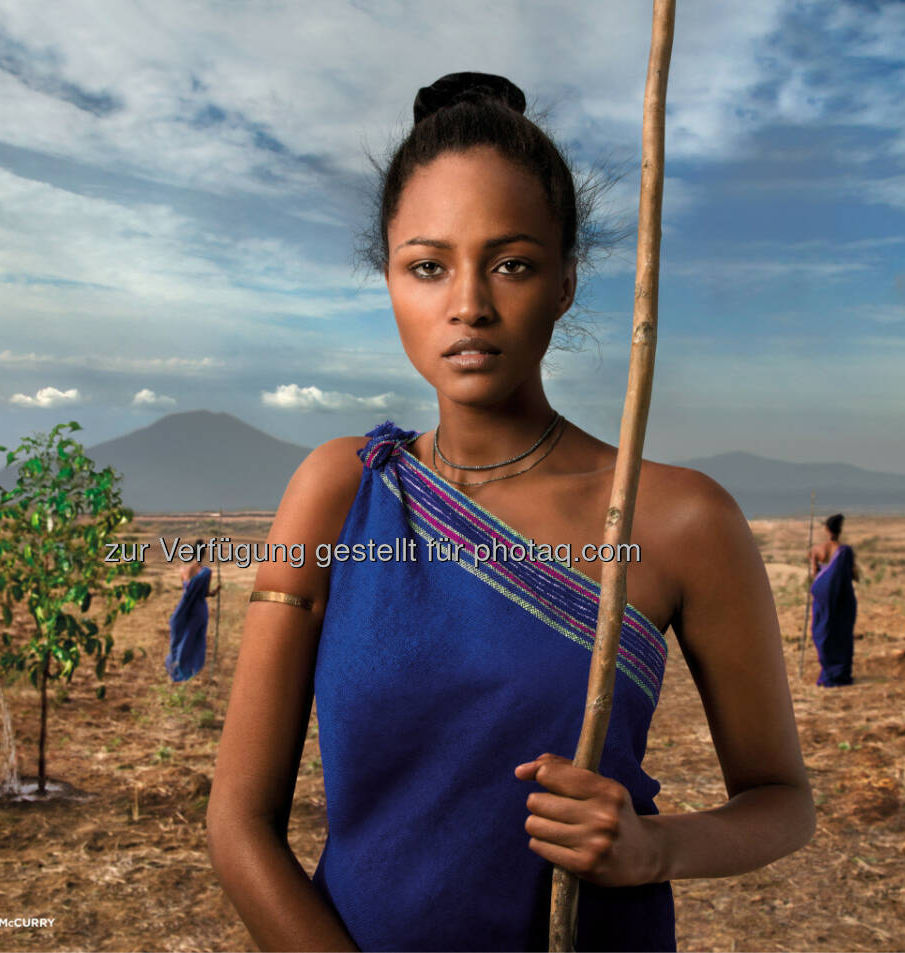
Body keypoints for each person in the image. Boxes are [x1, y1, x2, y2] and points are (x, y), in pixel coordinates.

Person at [206, 72, 814, 951]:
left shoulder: (675, 518)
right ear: (389, 280)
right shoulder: (341, 492)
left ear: (566, 280)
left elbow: (782, 801)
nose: (468, 305)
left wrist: (654, 846)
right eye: (428, 265)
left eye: (512, 263)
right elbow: (238, 823)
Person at [808, 513, 859, 687]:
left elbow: (814, 573)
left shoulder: (816, 550)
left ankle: (828, 670)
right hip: (842, 598)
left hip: (822, 596)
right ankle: (840, 673)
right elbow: (854, 574)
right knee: (842, 632)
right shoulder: (845, 551)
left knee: (823, 630)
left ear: (826, 529)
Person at [166, 538, 219, 682]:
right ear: (204, 553)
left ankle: (178, 666)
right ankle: (189, 668)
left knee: (182, 637)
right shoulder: (207, 572)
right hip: (199, 610)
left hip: (185, 609)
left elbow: (187, 591)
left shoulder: (184, 570)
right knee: (195, 639)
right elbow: (205, 593)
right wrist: (215, 591)